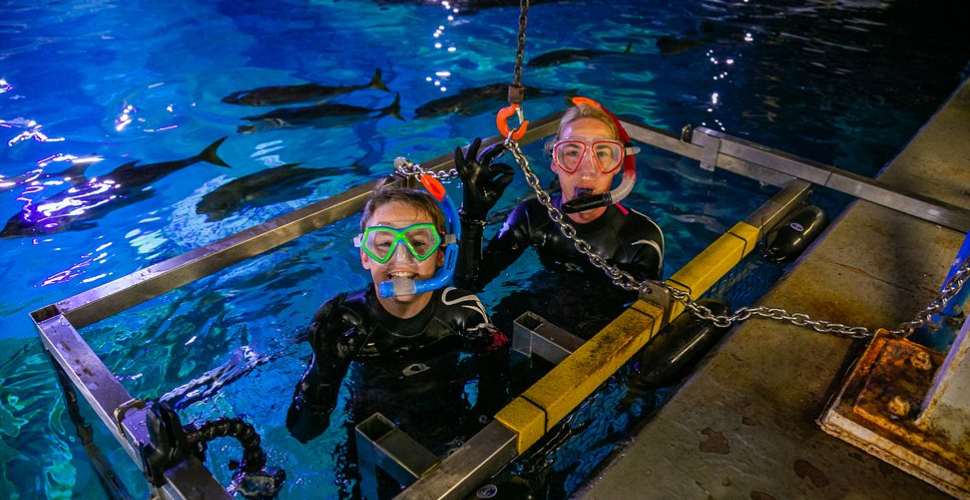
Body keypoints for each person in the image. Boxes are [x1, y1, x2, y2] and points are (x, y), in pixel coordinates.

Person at [286, 179, 509, 453]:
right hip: (373, 434)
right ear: (365, 256)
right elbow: (303, 432)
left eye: (417, 242)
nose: (401, 258)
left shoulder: (462, 311)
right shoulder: (345, 325)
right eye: (384, 243)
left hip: (450, 420)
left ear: (442, 254)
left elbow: (496, 373)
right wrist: (323, 371)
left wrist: (483, 421)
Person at [454, 98, 665, 337]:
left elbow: (638, 323)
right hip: (533, 311)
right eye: (573, 152)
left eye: (603, 153)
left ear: (618, 165)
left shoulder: (640, 239)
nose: (587, 168)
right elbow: (468, 286)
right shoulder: (531, 216)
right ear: (555, 162)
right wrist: (472, 216)